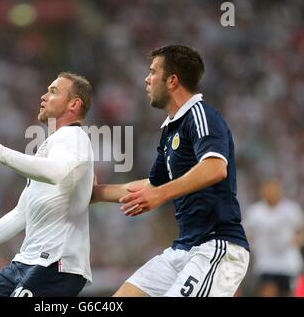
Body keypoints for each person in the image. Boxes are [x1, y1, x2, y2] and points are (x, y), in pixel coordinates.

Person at [92, 45, 250, 297]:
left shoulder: (201, 115)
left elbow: (215, 167)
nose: (146, 78)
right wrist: (95, 194)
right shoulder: (170, 130)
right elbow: (152, 186)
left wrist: (162, 194)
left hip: (217, 247)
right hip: (182, 250)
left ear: (173, 80)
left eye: (153, 72)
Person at [0, 72, 94, 297]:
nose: (43, 96)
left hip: (57, 264)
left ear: (74, 104)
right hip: (25, 262)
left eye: (53, 91)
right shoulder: (51, 146)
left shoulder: (76, 138)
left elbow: (56, 173)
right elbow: (21, 214)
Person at [244, 178, 304, 297]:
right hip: (266, 262)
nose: (270, 192)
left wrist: (298, 241)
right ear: (262, 191)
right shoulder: (255, 212)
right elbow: (247, 234)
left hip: (289, 263)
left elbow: (301, 229)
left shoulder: (291, 209)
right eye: (267, 189)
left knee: (289, 293)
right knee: (268, 291)